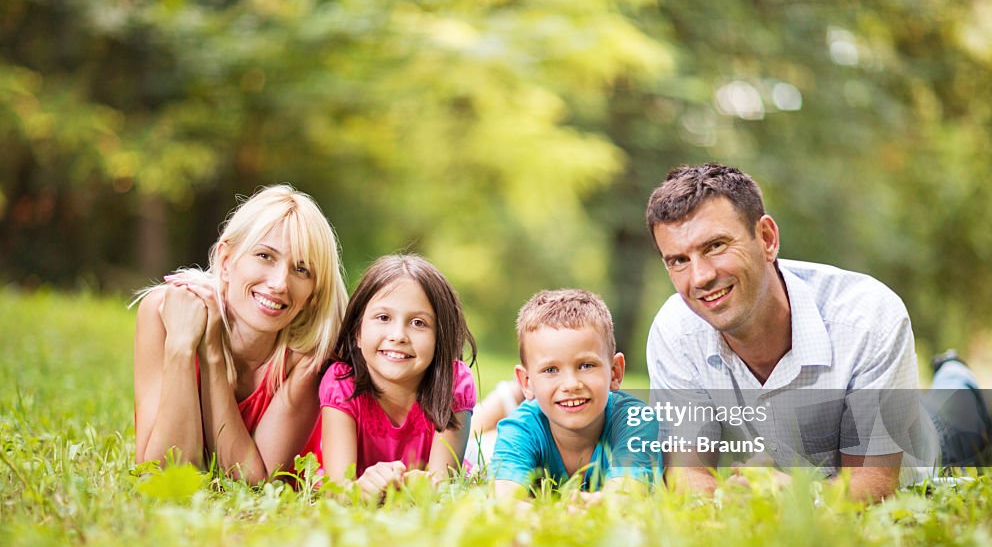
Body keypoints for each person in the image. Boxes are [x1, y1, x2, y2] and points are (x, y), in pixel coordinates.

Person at [645, 163, 992, 502]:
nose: (700, 277)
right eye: (678, 261)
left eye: (716, 246)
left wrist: (796, 499)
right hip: (793, 476)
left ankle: (956, 373)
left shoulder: (867, 317)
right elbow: (686, 473)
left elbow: (873, 484)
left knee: (957, 411)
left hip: (923, 451)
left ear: (766, 238)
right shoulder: (675, 332)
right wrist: (726, 505)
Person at [134, 185, 348, 483]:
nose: (279, 283)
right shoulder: (163, 312)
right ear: (225, 262)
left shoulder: (307, 357)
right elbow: (165, 471)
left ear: (313, 293)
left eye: (301, 270)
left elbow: (254, 481)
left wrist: (212, 353)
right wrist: (182, 347)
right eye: (264, 256)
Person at [318, 254, 477, 501]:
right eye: (383, 318)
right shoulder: (342, 383)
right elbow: (337, 489)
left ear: (440, 338)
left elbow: (441, 486)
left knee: (487, 448)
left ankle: (505, 402)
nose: (398, 335)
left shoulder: (453, 383)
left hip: (470, 460)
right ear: (358, 332)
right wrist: (361, 488)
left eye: (418, 322)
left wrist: (423, 484)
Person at [491, 289, 661, 497]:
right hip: (496, 440)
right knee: (481, 444)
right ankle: (493, 405)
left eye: (586, 365)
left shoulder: (635, 422)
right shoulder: (521, 428)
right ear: (527, 382)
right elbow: (505, 500)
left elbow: (625, 497)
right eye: (551, 370)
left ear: (615, 372)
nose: (571, 384)